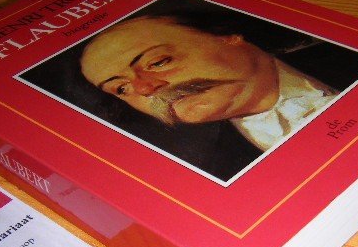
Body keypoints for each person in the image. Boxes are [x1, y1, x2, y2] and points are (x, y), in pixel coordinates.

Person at [80, 15, 338, 151]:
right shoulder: (219, 166)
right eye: (121, 89)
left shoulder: (346, 55)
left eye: (158, 62)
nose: (145, 89)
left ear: (225, 36)